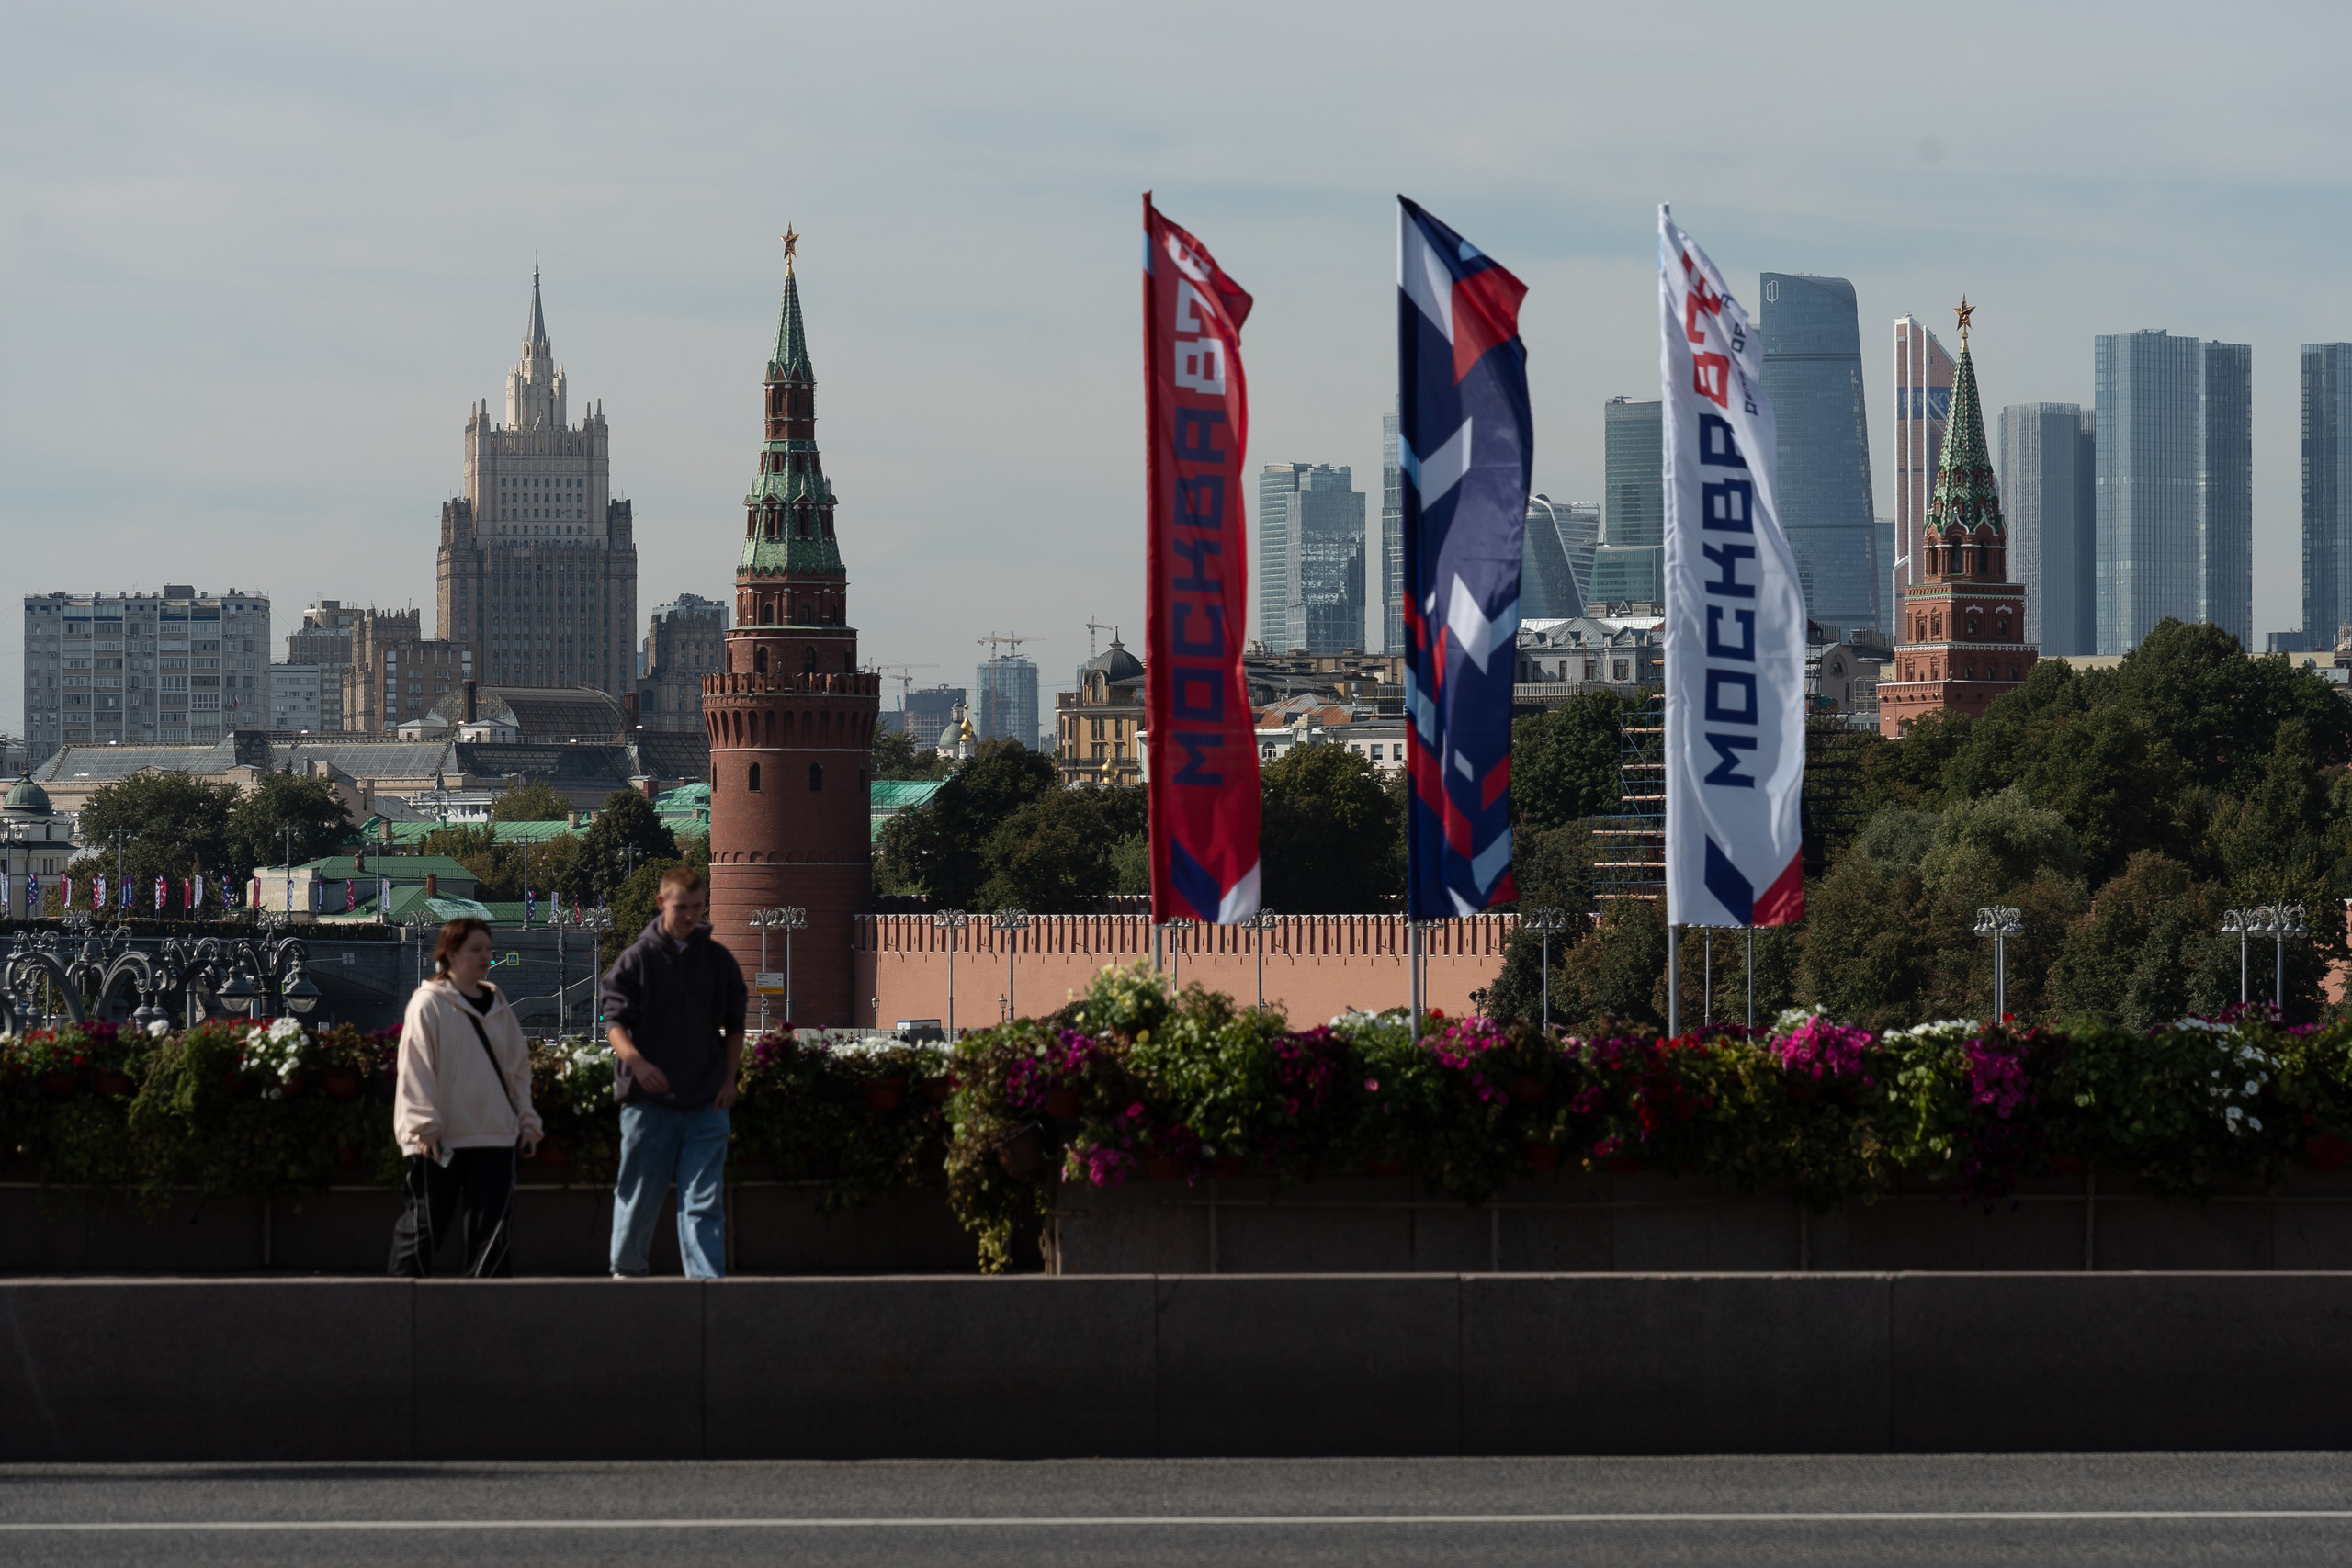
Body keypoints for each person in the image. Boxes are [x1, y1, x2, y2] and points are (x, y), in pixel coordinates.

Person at [600, 864, 746, 1279]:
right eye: (682, 907)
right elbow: (614, 1024)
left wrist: (729, 1078)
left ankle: (705, 1287)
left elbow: (735, 1025)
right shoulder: (636, 959)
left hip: (706, 1101)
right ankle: (626, 1275)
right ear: (662, 903)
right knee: (639, 1195)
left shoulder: (718, 960)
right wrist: (638, 1064)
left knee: (704, 1200)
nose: (690, 916)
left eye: (698, 907)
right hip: (648, 1102)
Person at [390, 916, 541, 1277]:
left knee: (491, 1239)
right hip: (438, 1139)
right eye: (476, 949)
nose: (485, 957)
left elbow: (518, 1069)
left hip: (495, 1135)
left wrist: (527, 1122)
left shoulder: (500, 1007)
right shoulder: (427, 1004)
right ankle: (397, 1306)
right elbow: (415, 1066)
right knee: (423, 1228)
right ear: (451, 953)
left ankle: (486, 1319)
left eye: (488, 949)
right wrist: (424, 1124)